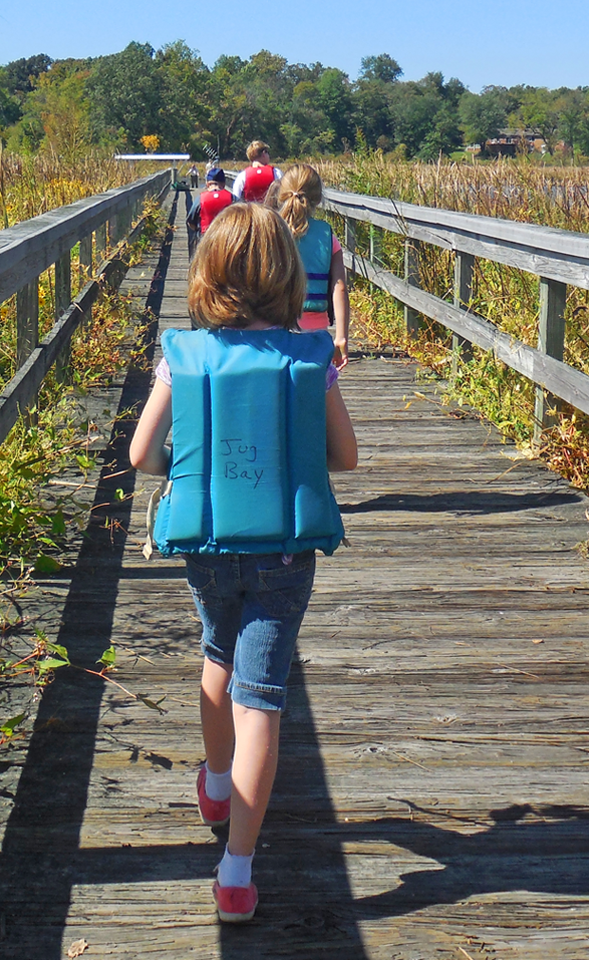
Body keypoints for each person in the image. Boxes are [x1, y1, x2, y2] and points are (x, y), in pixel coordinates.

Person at [129, 203, 358, 924]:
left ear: (207, 277)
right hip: (286, 555)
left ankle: (218, 785)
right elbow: (345, 457)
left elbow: (141, 456)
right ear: (290, 279)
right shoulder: (308, 359)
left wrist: (187, 464)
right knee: (261, 694)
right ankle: (236, 870)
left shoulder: (181, 357)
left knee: (215, 655)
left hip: (207, 549)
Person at [274, 164, 351, 369]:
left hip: (274, 325)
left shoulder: (270, 229)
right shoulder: (326, 235)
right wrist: (341, 337)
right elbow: (339, 288)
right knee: (314, 390)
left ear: (281, 193)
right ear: (317, 198)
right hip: (315, 331)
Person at [185, 167, 234, 258]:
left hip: (206, 239)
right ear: (223, 184)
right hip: (227, 240)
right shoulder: (233, 198)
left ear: (207, 184)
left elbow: (190, 221)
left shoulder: (200, 199)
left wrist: (197, 230)